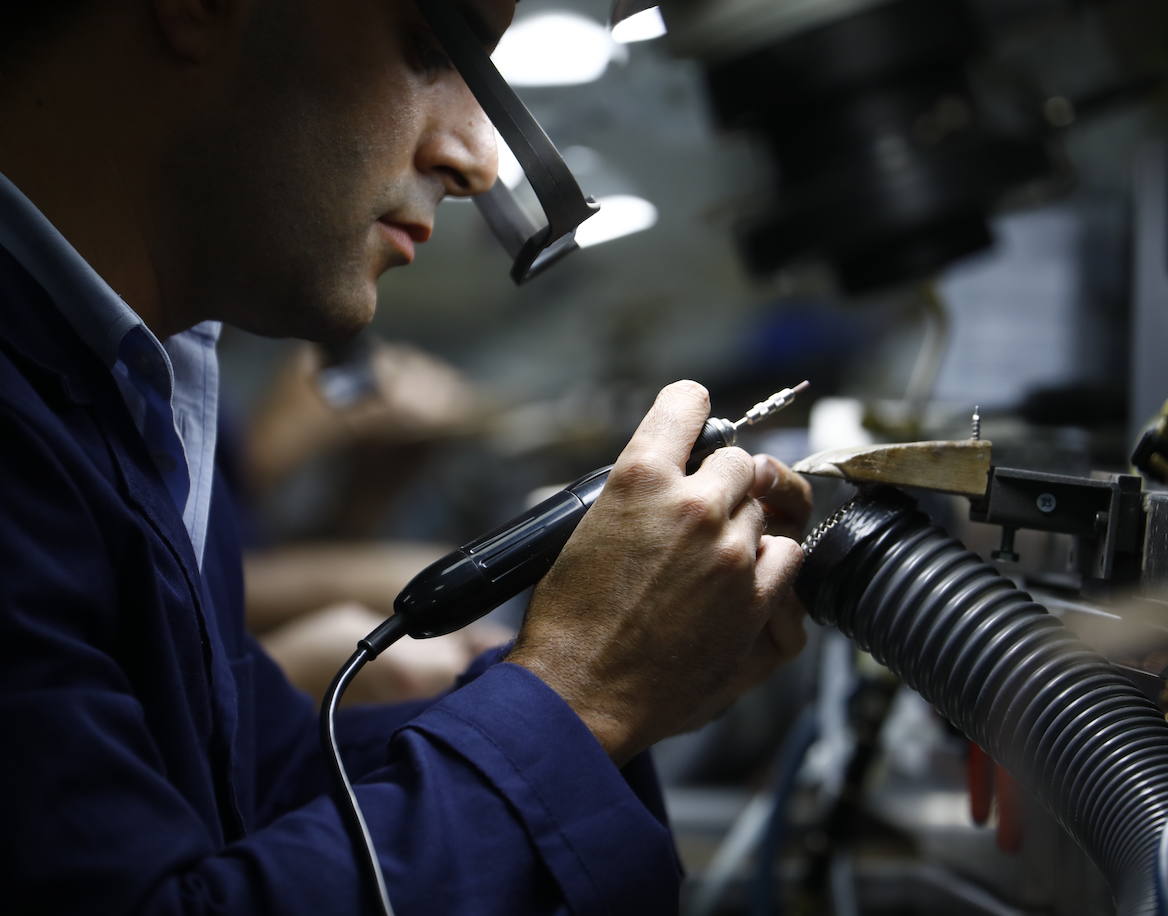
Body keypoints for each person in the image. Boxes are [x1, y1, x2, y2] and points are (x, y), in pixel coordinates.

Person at [0, 1, 813, 914]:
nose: (477, 158)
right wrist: (578, 699)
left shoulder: (137, 390)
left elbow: (252, 787)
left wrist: (627, 681)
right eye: (429, 46)